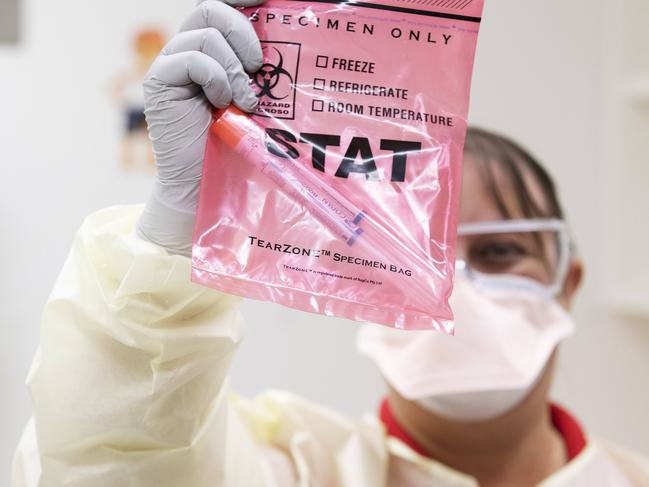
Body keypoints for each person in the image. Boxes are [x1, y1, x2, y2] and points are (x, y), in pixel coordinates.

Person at [11, 1, 649, 486]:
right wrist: (178, 228)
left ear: (568, 281)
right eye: (411, 250)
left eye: (499, 252)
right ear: (356, 278)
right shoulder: (289, 462)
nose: (453, 285)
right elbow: (103, 460)